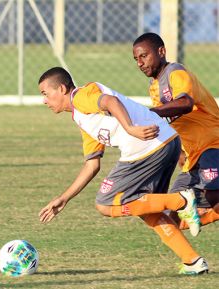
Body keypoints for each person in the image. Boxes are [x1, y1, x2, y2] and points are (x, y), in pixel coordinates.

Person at [37, 67, 207, 275]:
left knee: (104, 203)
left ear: (61, 88)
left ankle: (180, 201)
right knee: (147, 209)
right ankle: (193, 261)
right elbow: (92, 164)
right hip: (164, 143)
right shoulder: (81, 116)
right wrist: (64, 198)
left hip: (148, 148)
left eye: (45, 94)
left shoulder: (81, 97)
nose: (44, 100)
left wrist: (130, 128)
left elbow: (111, 102)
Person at [132, 32, 219, 230]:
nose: (140, 63)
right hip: (192, 155)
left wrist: (151, 112)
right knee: (174, 215)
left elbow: (185, 103)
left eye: (144, 56)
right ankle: (191, 260)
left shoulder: (175, 72)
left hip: (212, 142)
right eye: (136, 59)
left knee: (213, 194)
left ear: (161, 51)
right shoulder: (154, 86)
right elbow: (169, 121)